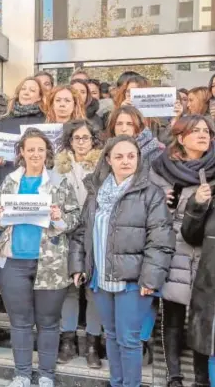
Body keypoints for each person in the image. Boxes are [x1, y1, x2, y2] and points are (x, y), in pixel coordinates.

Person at [0, 128, 80, 387]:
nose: (35, 154)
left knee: (48, 323)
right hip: (13, 262)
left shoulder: (60, 182)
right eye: (30, 149)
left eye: (40, 150)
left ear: (47, 153)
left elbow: (75, 218)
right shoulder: (9, 181)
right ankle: (22, 373)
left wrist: (59, 218)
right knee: (20, 323)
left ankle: (46, 375)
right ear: (21, 152)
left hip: (51, 262)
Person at [70, 135, 175, 387]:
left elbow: (160, 240)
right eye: (119, 156)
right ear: (108, 159)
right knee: (113, 336)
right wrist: (78, 266)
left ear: (139, 159)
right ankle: (117, 383)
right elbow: (82, 232)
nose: (126, 161)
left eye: (131, 156)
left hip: (133, 281)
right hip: (101, 277)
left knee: (129, 339)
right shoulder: (96, 193)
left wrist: (150, 278)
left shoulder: (151, 194)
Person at [149, 115, 215, 387]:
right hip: (173, 247)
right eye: (195, 130)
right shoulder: (160, 168)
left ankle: (201, 378)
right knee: (173, 315)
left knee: (203, 317)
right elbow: (149, 208)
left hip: (207, 250)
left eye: (206, 131)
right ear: (180, 136)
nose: (203, 135)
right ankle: (173, 375)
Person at [54, 120, 104, 368]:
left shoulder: (103, 165)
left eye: (86, 138)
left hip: (94, 233)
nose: (81, 143)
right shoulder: (58, 165)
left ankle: (93, 344)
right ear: (69, 141)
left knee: (93, 289)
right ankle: (68, 340)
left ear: (94, 140)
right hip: (65, 232)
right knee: (69, 289)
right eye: (76, 138)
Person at [0, 77, 47, 248]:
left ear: (39, 97)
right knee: (8, 227)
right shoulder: (5, 120)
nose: (27, 92)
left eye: (32, 90)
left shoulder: (45, 119)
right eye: (24, 89)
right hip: (10, 179)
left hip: (36, 181)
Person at [180, 180, 215, 387]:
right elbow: (190, 236)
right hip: (208, 288)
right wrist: (198, 204)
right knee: (204, 348)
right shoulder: (210, 194)